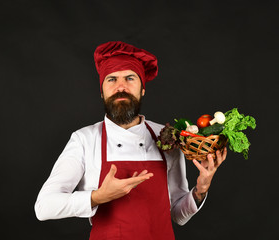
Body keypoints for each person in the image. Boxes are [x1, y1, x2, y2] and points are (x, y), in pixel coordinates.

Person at [34, 41, 227, 240]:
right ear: (101, 91)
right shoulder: (85, 139)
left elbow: (178, 214)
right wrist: (98, 197)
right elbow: (44, 207)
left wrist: (201, 189)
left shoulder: (167, 137)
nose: (121, 87)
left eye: (129, 78)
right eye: (111, 79)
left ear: (142, 89)